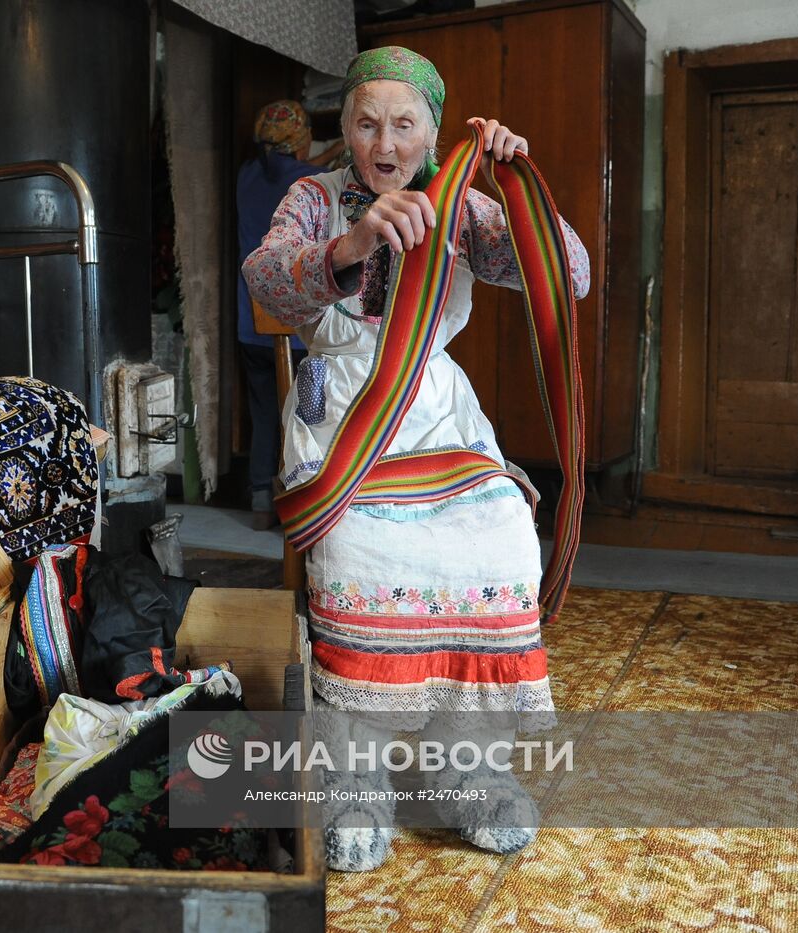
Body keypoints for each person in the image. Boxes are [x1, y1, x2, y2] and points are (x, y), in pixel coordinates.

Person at [243, 47, 591, 869]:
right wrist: (351, 242)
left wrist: (513, 181)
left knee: (502, 532)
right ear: (346, 128)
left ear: (433, 131)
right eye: (366, 122)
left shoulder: (459, 204)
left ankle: (466, 767)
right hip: (344, 413)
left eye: (404, 123)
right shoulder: (314, 198)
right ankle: (355, 779)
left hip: (434, 409)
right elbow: (265, 281)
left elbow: (568, 274)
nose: (384, 140)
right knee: (360, 545)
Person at [236, 101, 342, 530]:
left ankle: (261, 500)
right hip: (297, 327)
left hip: (252, 323)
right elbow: (303, 170)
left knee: (264, 413)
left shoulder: (246, 177)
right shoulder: (310, 185)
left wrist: (319, 154)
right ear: (300, 141)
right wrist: (334, 152)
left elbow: (289, 165)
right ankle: (306, 501)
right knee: (307, 416)